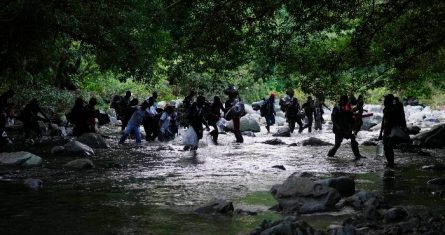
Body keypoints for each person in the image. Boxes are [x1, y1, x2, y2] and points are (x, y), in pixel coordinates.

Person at [327, 95, 362, 160]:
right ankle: (329, 155)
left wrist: (355, 122)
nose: (346, 102)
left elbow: (351, 116)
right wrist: (338, 126)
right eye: (345, 100)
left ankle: (357, 155)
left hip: (348, 128)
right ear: (341, 100)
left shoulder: (348, 107)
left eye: (346, 100)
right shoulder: (337, 108)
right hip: (339, 130)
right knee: (337, 145)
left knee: (353, 139)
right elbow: (333, 118)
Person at [379, 94, 408, 168]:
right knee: (388, 147)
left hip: (389, 129)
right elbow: (384, 120)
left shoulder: (392, 108)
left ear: (388, 100)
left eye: (385, 100)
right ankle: (390, 162)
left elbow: (386, 121)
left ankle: (390, 163)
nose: (384, 101)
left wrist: (382, 132)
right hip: (390, 129)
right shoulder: (391, 108)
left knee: (387, 147)